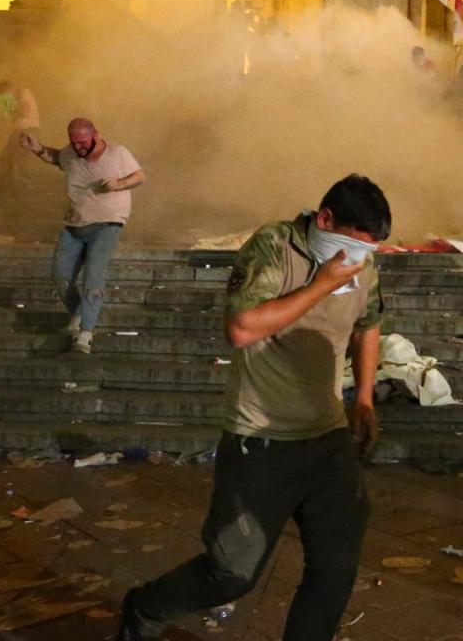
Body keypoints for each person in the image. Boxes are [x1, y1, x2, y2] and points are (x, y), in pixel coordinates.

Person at [118, 175, 390, 641]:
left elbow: (369, 324)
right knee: (231, 573)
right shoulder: (274, 246)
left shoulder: (361, 267)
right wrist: (322, 285)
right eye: (353, 244)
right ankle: (146, 607)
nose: (359, 258)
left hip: (328, 441)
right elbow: (242, 329)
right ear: (324, 220)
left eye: (370, 249)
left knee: (336, 567)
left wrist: (363, 397)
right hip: (261, 442)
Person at [19, 118, 144, 354]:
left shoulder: (117, 153)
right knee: (60, 276)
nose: (79, 148)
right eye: (74, 143)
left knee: (93, 278)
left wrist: (119, 183)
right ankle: (79, 313)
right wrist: (37, 149)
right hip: (74, 225)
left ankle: (85, 334)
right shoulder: (71, 153)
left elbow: (139, 176)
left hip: (108, 224)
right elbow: (57, 158)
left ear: (96, 135)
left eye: (83, 143)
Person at [0, 80, 41, 192]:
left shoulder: (23, 92)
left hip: (27, 128)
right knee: (12, 157)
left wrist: (10, 104)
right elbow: (7, 117)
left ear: (8, 88)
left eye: (3, 92)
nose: (4, 95)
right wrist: (3, 108)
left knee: (15, 157)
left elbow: (24, 112)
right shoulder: (15, 95)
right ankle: (12, 185)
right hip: (20, 129)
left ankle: (17, 186)